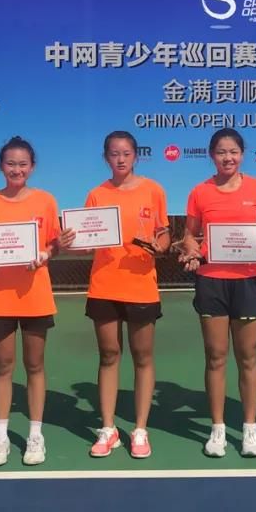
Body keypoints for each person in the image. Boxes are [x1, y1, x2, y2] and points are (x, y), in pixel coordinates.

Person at [177, 128, 256, 458]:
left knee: (247, 357)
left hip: (248, 281)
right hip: (211, 281)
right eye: (221, 152)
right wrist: (192, 250)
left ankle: (250, 430)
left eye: (233, 151)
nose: (228, 157)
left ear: (242, 154)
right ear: (212, 155)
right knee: (216, 356)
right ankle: (218, 429)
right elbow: (189, 235)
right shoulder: (199, 192)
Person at [0, 136, 74, 467]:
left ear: (32, 166)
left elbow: (54, 244)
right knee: (3, 367)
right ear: (1, 166)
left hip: (35, 297)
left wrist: (46, 253)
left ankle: (35, 436)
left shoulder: (45, 201)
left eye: (23, 164)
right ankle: (0, 438)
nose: (17, 169)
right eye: (10, 163)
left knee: (35, 366)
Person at [82, 131, 171, 459]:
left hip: (141, 286)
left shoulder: (153, 190)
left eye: (126, 153)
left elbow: (163, 234)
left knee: (142, 356)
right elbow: (88, 236)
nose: (120, 159)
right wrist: (81, 240)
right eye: (114, 154)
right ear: (106, 157)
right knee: (109, 355)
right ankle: (108, 429)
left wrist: (160, 246)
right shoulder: (96, 194)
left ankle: (140, 429)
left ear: (136, 156)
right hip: (104, 285)